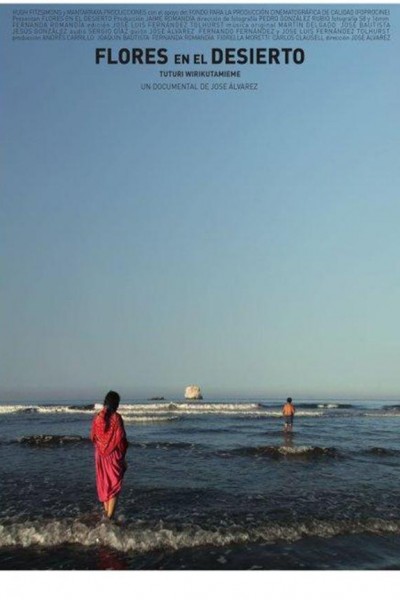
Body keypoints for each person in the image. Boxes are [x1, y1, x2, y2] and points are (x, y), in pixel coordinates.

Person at [90, 390, 128, 520]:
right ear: (115, 403)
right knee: (114, 486)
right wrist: (123, 459)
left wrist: (101, 447)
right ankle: (110, 518)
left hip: (100, 456)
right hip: (114, 456)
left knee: (105, 485)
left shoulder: (97, 417)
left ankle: (107, 515)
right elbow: (121, 440)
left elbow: (93, 437)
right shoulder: (117, 418)